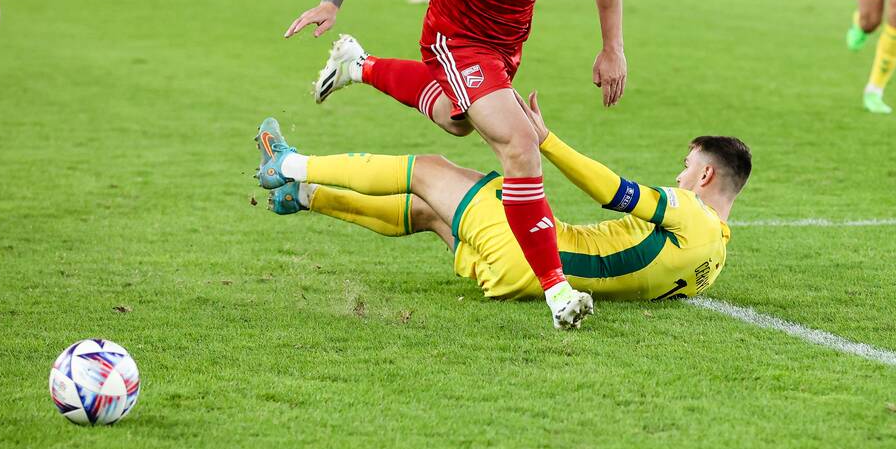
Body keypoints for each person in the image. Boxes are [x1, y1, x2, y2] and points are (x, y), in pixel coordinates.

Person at [285, 0, 627, 330]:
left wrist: (612, 47)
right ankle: (557, 290)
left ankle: (359, 66)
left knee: (455, 120)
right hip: (456, 39)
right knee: (519, 140)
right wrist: (331, 0)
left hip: (506, 47)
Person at [253, 93, 750, 309]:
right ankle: (305, 196)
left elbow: (611, 191)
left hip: (531, 246)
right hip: (529, 282)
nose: (679, 174)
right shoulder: (713, 262)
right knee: (430, 211)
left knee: (430, 169)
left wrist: (546, 140)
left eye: (687, 167)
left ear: (706, 174)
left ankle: (293, 166)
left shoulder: (692, 211)